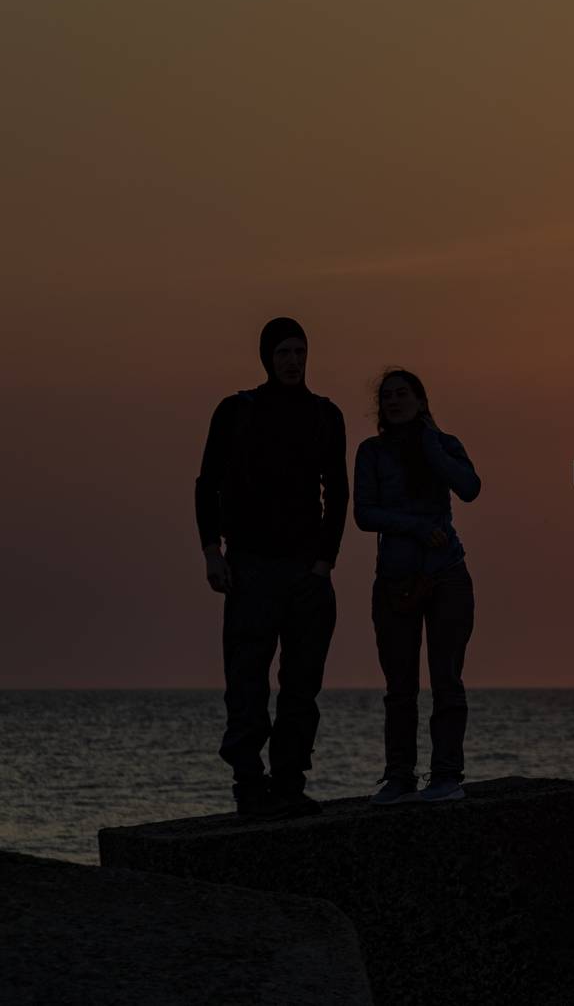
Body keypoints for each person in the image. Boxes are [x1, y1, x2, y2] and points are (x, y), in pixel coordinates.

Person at [194, 317, 348, 819]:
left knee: (302, 685)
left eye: (300, 351)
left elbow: (338, 493)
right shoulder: (237, 411)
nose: (293, 360)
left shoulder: (326, 416)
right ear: (267, 356)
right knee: (246, 680)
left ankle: (289, 781)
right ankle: (247, 780)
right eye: (283, 351)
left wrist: (325, 563)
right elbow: (207, 483)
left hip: (308, 572)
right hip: (250, 567)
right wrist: (212, 551)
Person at [355, 369, 481, 804]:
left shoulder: (443, 444)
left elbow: (470, 488)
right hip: (395, 579)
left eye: (402, 394)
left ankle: (447, 776)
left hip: (447, 573)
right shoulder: (371, 452)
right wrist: (416, 527)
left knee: (447, 678)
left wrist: (430, 443)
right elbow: (364, 514)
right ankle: (399, 776)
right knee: (400, 685)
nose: (393, 401)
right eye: (386, 396)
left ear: (420, 399)